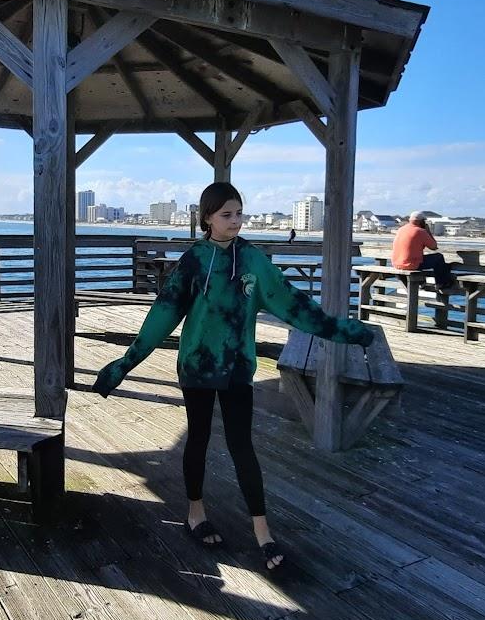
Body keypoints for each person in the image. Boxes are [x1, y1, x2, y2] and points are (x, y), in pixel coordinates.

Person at [91, 182, 373, 575]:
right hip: (197, 369)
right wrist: (125, 363)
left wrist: (342, 331)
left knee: (243, 447)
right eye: (227, 214)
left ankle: (262, 532)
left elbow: (295, 306)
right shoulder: (193, 262)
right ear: (207, 217)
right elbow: (162, 317)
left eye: (239, 213)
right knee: (199, 439)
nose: (236, 221)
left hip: (238, 368)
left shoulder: (254, 262)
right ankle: (195, 513)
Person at [392, 210, 457, 290]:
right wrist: (428, 231)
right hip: (410, 264)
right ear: (421, 221)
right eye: (424, 221)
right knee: (438, 257)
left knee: (419, 258)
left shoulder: (401, 229)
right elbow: (434, 247)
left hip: (396, 263)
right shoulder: (420, 231)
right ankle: (441, 283)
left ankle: (422, 282)